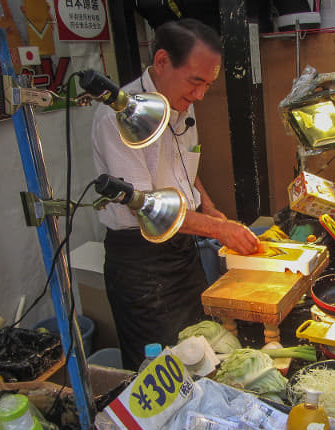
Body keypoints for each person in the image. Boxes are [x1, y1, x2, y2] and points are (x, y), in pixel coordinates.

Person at [92, 18, 260, 370]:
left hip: (182, 252)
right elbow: (148, 209)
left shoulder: (181, 99)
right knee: (161, 367)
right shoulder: (119, 116)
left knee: (201, 351)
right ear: (163, 61)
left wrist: (210, 208)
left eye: (207, 85)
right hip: (141, 262)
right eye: (196, 82)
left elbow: (185, 166)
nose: (200, 94)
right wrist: (220, 230)